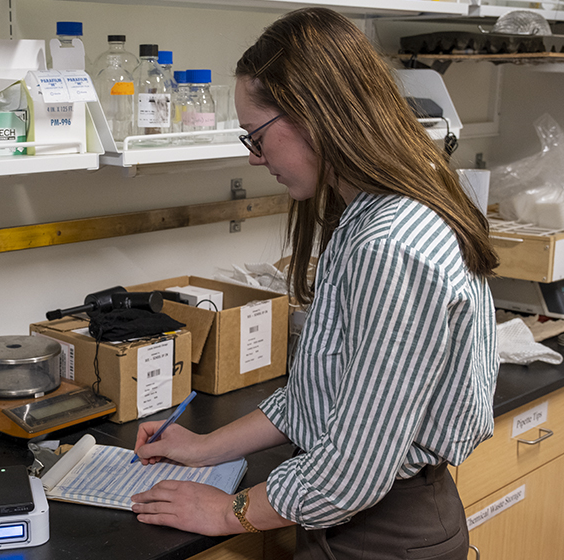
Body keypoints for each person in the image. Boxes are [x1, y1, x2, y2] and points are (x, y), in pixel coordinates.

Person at [130, 7, 500, 560]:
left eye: (256, 136)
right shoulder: (369, 218)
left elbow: (355, 467)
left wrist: (227, 511)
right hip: (358, 522)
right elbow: (318, 399)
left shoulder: (390, 246)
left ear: (313, 114)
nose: (255, 159)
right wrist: (205, 447)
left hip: (380, 532)